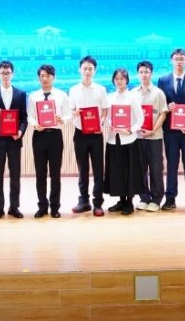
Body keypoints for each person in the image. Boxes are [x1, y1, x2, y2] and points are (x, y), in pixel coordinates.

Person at [155, 49, 185, 212]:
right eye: (176, 59)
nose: (179, 61)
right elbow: (160, 105)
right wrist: (167, 107)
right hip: (170, 131)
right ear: (171, 61)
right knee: (172, 166)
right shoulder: (163, 80)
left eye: (182, 59)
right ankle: (170, 199)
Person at [0, 60, 28, 219]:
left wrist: (20, 131)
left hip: (14, 139)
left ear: (12, 74)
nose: (5, 75)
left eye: (8, 73)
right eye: (3, 73)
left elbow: (24, 118)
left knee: (15, 175)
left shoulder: (21, 94)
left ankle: (14, 207)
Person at [68, 55, 109, 216]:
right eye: (84, 68)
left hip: (96, 134)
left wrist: (101, 123)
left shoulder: (101, 89)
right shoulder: (73, 90)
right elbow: (71, 111)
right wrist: (75, 113)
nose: (87, 71)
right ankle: (83, 201)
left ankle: (97, 203)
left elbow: (105, 111)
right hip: (80, 133)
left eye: (90, 69)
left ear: (94, 71)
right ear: (80, 70)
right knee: (82, 169)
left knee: (98, 170)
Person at [27, 64, 69, 218]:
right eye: (42, 76)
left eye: (48, 76)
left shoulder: (62, 95)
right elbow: (30, 116)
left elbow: (68, 114)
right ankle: (42, 206)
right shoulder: (33, 96)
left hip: (55, 136)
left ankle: (55, 207)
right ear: (39, 78)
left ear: (54, 77)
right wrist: (34, 124)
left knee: (55, 174)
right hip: (39, 136)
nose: (45, 79)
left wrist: (62, 119)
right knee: (40, 174)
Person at [104, 68, 142, 215]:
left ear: (127, 80)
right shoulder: (109, 97)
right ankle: (121, 200)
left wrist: (131, 130)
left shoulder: (133, 97)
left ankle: (129, 202)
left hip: (129, 140)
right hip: (113, 139)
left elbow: (140, 119)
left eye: (122, 78)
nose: (119, 81)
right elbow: (106, 118)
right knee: (117, 172)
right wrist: (109, 124)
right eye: (116, 78)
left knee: (129, 171)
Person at [133, 61, 168, 212]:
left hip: (154, 137)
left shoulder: (158, 93)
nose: (144, 75)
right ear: (138, 74)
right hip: (138, 137)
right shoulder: (133, 93)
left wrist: (152, 130)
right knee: (140, 169)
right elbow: (131, 115)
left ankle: (156, 199)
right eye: (141, 72)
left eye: (146, 72)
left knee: (156, 168)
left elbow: (163, 114)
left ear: (151, 73)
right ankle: (144, 198)